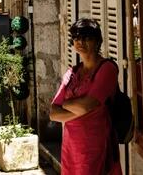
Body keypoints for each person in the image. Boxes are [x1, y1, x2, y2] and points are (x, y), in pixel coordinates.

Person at [51, 18, 122, 175]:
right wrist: (81, 108)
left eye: (86, 37)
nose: (80, 42)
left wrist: (67, 104)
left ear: (97, 41)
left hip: (96, 143)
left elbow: (88, 104)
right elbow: (53, 113)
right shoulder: (72, 73)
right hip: (71, 147)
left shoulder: (107, 69)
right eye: (76, 38)